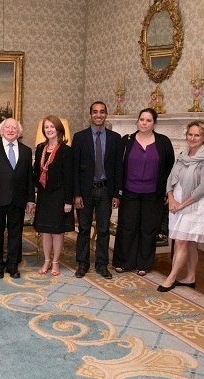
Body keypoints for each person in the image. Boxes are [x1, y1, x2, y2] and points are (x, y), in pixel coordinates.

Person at [158, 120, 204, 292]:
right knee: (190, 243)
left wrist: (181, 205)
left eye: (197, 135)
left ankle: (171, 278)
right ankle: (190, 277)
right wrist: (171, 198)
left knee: (181, 242)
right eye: (190, 134)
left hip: (194, 206)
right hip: (176, 203)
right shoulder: (183, 155)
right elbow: (171, 178)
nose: (192, 138)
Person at [113, 108, 174, 276]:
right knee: (127, 227)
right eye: (142, 119)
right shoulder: (127, 141)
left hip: (153, 194)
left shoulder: (163, 142)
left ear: (154, 123)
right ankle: (124, 262)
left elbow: (170, 168)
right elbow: (118, 168)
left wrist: (168, 192)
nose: (144, 123)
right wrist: (117, 193)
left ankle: (143, 264)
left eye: (148, 120)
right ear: (137, 121)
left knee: (148, 229)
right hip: (129, 192)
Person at [72, 101, 124, 279]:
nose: (98, 115)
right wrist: (76, 194)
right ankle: (82, 264)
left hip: (105, 191)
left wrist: (117, 194)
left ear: (106, 115)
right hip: (85, 192)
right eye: (95, 112)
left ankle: (102, 265)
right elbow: (75, 169)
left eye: (102, 112)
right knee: (84, 229)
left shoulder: (115, 138)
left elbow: (119, 168)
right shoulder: (79, 137)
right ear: (90, 115)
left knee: (103, 230)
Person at [0, 118, 35, 280]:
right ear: (1, 131)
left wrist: (30, 199)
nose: (11, 130)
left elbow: (29, 178)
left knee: (16, 233)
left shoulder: (26, 151)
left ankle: (13, 265)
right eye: (8, 127)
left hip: (18, 198)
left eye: (14, 128)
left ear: (19, 132)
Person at [33, 116, 75, 276]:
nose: (49, 130)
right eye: (46, 127)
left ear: (58, 129)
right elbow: (36, 171)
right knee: (45, 230)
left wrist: (68, 201)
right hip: (44, 195)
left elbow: (69, 177)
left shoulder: (66, 150)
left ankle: (56, 262)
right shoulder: (40, 148)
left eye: (51, 127)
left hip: (59, 195)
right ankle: (46, 260)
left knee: (57, 231)